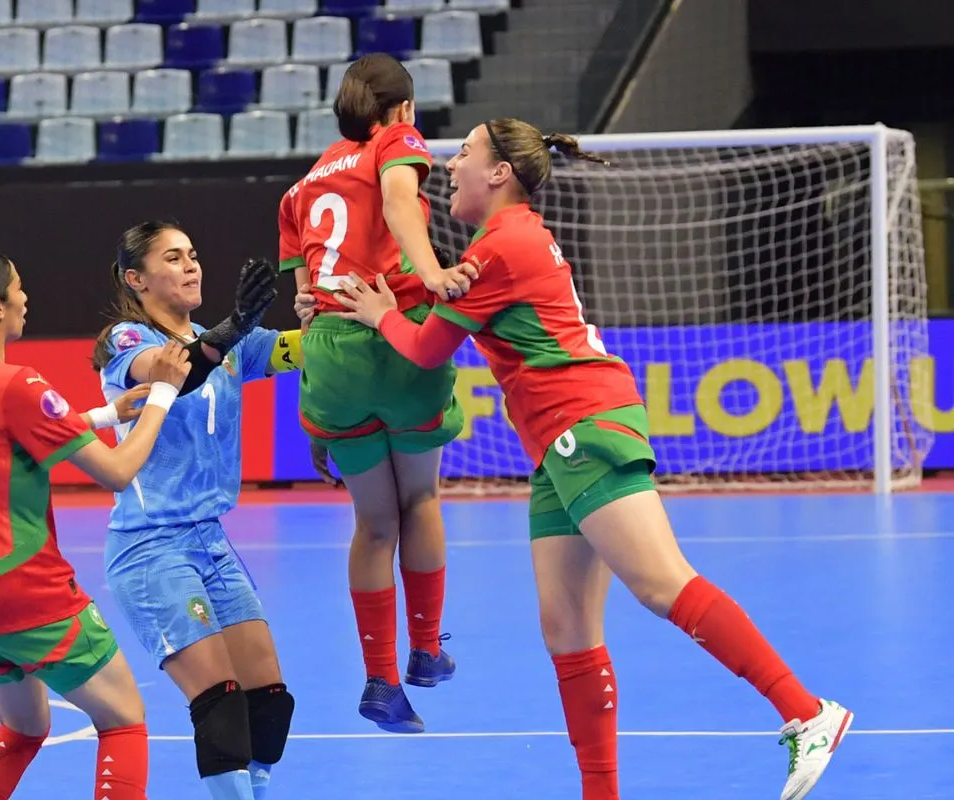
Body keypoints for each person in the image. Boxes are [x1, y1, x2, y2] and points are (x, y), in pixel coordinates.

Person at [318, 120, 852, 800]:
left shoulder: (500, 247)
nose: (451, 164)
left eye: (467, 153)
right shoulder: (502, 241)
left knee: (661, 584)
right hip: (554, 445)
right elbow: (438, 308)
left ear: (500, 173)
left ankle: (807, 712)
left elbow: (425, 350)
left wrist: (377, 315)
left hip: (584, 424)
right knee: (565, 626)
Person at [0, 245, 196, 800]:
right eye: (18, 288)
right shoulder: (16, 383)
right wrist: (163, 396)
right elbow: (118, 472)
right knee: (123, 719)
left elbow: (6, 441)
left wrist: (106, 414)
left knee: (24, 729)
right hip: (22, 592)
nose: (26, 298)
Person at [276, 51, 477, 733]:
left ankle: (381, 682)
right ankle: (424, 650)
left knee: (373, 523)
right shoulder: (397, 139)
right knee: (420, 499)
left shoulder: (303, 184)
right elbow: (396, 202)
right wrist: (435, 272)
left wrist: (312, 322)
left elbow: (306, 294)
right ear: (403, 109)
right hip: (394, 329)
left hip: (330, 352)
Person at [92, 222, 295, 800]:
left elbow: (300, 350)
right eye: (174, 257)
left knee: (268, 704)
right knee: (221, 705)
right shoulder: (125, 340)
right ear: (136, 279)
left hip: (211, 541)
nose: (191, 266)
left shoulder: (224, 342)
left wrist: (352, 313)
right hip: (150, 547)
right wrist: (234, 327)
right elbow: (173, 373)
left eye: (194, 255)